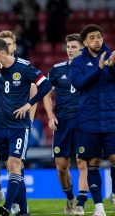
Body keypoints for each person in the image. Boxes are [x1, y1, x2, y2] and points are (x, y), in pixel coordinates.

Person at [0, 38, 51, 216]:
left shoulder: (24, 67)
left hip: (18, 127)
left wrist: (29, 104)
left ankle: (7, 206)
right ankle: (21, 210)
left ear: (2, 53)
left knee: (14, 165)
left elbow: (46, 85)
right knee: (1, 163)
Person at [70, 24, 115, 216]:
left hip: (111, 117)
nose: (97, 40)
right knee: (93, 162)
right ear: (86, 42)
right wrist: (99, 69)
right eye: (93, 37)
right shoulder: (78, 63)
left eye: (99, 36)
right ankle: (99, 208)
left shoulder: (112, 58)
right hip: (89, 120)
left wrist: (111, 69)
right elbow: (79, 84)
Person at [43, 33, 88, 215]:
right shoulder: (57, 69)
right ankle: (70, 198)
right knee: (62, 167)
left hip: (84, 122)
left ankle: (81, 204)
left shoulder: (91, 69)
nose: (70, 50)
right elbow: (45, 94)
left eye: (74, 47)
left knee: (82, 162)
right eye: (68, 47)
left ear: (82, 49)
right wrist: (50, 115)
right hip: (62, 124)